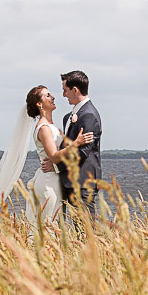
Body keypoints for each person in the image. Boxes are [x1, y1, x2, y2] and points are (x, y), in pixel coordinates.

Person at [0, 85, 93, 227]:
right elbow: (54, 157)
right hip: (49, 181)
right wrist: (77, 143)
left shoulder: (52, 126)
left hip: (56, 179)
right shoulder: (43, 128)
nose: (53, 97)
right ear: (39, 104)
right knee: (49, 226)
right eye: (48, 95)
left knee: (54, 226)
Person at [42, 70, 102, 217]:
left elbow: (82, 152)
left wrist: (56, 165)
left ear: (75, 90)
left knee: (86, 231)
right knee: (79, 231)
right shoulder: (69, 116)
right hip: (71, 181)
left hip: (82, 182)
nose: (63, 95)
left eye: (65, 90)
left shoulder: (88, 115)